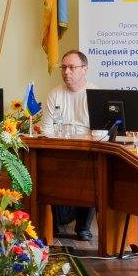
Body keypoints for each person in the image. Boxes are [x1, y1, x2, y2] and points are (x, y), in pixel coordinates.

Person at [42, 50, 99, 241]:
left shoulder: (94, 94)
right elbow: (47, 129)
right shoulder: (55, 94)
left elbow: (100, 133)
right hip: (60, 151)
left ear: (84, 69)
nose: (66, 72)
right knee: (46, 170)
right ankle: (55, 224)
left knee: (92, 173)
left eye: (71, 67)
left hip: (87, 153)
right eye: (64, 67)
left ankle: (83, 227)